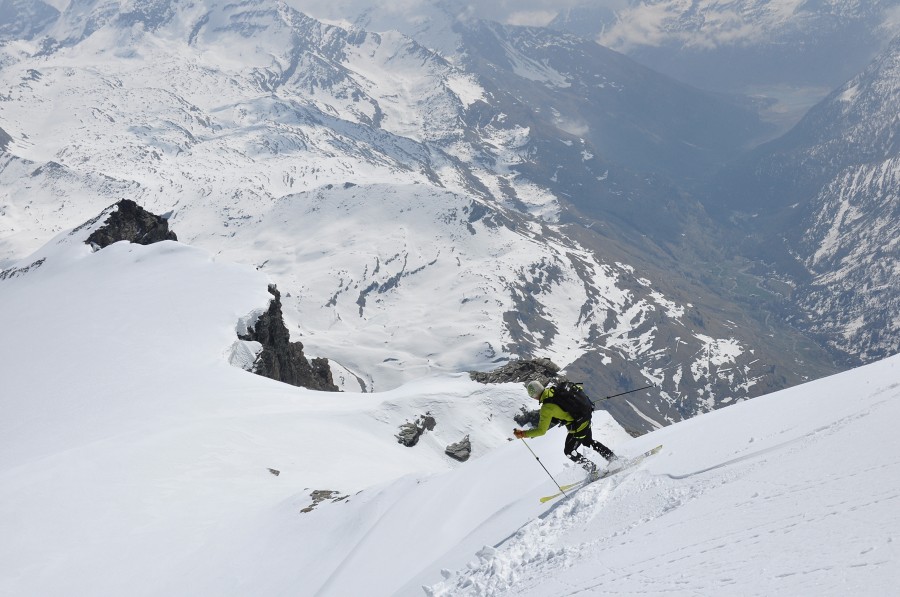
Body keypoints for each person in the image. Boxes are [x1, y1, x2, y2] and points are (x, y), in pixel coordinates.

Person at [513, 379, 617, 474]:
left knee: (569, 452)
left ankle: (595, 471)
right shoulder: (555, 391)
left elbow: (541, 431)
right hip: (585, 416)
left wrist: (523, 434)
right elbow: (579, 388)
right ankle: (612, 458)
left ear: (534, 396)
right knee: (588, 441)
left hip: (578, 426)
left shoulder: (546, 408)